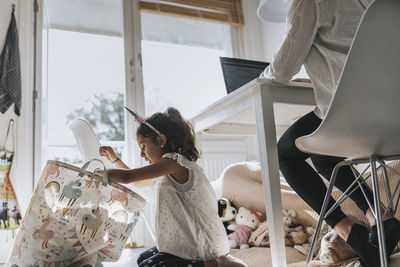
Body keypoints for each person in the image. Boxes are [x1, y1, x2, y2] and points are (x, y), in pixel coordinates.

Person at [260, 0, 400, 266]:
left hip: (348, 121)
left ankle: (349, 231)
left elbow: (281, 71)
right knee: (323, 153)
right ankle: (380, 218)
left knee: (284, 154)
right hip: (394, 122)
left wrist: (259, 77)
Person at [97, 107, 246, 267]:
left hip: (203, 245)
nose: (142, 154)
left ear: (161, 141)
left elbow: (128, 177)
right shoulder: (169, 170)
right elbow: (137, 182)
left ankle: (214, 264)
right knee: (143, 259)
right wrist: (115, 160)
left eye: (143, 146)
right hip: (191, 240)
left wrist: (98, 172)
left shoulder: (175, 162)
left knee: (149, 265)